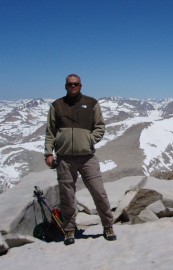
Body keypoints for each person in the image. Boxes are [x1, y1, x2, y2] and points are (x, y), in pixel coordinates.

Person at [44, 74, 116, 245]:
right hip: (64, 158)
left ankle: (108, 226)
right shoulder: (57, 105)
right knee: (67, 196)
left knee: (98, 192)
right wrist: (48, 153)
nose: (73, 86)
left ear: (81, 85)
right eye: (70, 84)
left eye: (76, 84)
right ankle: (69, 229)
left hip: (87, 157)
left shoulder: (91, 103)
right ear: (65, 86)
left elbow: (100, 127)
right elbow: (50, 132)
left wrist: (89, 140)